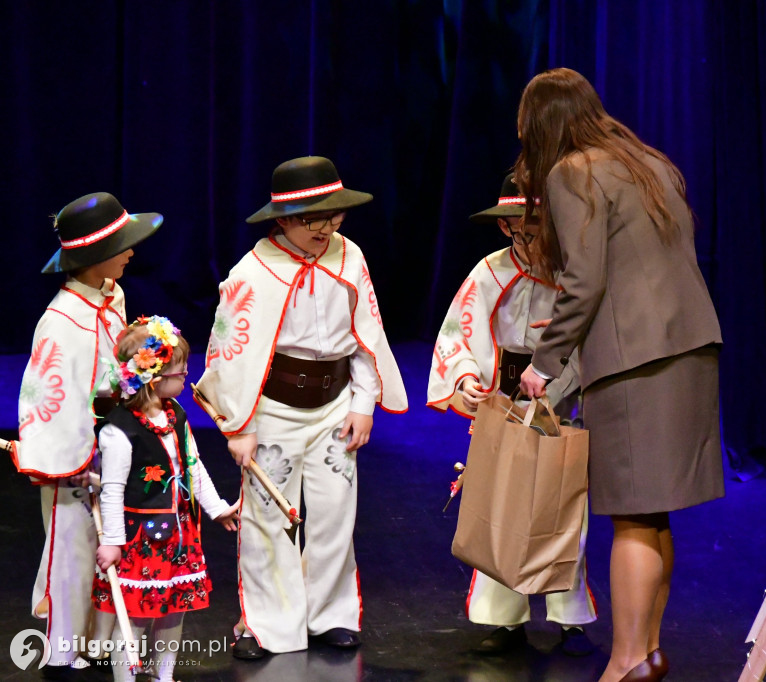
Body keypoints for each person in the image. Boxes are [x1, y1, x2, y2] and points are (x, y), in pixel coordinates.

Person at [516, 68, 724, 682]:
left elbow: (584, 280)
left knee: (631, 512)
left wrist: (544, 364)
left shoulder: (571, 172)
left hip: (636, 360)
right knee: (653, 512)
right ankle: (650, 652)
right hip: (690, 348)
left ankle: (627, 660)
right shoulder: (645, 162)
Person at [195, 155, 408, 659]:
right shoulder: (254, 271)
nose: (327, 227)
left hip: (334, 406)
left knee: (335, 513)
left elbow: (365, 333)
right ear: (284, 219)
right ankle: (269, 625)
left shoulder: (349, 256)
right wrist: (238, 425)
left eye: (334, 215)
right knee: (268, 518)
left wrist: (364, 402)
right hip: (272, 409)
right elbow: (231, 351)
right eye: (313, 218)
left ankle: (330, 614)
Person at [427, 173, 598, 657]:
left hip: (563, 401)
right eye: (516, 231)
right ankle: (503, 619)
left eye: (535, 230)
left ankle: (571, 618)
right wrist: (463, 378)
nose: (525, 241)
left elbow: (597, 335)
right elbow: (457, 333)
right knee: (499, 505)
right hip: (505, 402)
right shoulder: (490, 272)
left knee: (565, 508)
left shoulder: (576, 275)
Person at [13, 192, 162, 679]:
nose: (132, 252)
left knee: (108, 546)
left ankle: (97, 643)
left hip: (111, 445)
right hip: (77, 452)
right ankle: (61, 653)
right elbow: (46, 396)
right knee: (71, 551)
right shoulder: (61, 323)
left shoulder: (111, 295)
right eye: (123, 245)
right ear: (96, 258)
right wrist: (79, 456)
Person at [94, 316, 239, 681]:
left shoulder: (176, 415)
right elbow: (110, 491)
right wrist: (112, 541)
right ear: (154, 378)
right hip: (140, 539)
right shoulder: (119, 430)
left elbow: (192, 465)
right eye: (181, 371)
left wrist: (217, 509)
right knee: (137, 617)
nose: (187, 376)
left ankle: (164, 675)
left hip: (178, 534)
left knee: (174, 611)